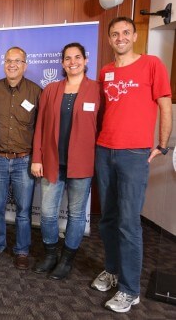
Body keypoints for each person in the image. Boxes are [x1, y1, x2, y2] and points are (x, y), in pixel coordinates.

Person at [91, 17, 172, 313]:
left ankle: (129, 289)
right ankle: (112, 270)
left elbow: (165, 103)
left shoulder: (152, 64)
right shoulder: (106, 71)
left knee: (128, 223)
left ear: (134, 36)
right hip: (105, 150)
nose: (120, 37)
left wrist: (161, 144)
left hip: (134, 155)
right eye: (115, 34)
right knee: (108, 219)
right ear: (110, 40)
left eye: (126, 32)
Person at [31, 42, 100, 280]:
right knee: (48, 214)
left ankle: (67, 259)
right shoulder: (51, 89)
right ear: (62, 63)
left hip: (82, 164)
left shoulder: (96, 90)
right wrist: (37, 158)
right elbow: (40, 126)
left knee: (77, 215)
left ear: (85, 60)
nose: (73, 62)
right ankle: (51, 254)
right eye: (68, 58)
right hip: (52, 162)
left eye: (77, 57)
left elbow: (101, 128)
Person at [0, 47, 41, 270]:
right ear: (3, 63)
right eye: (8, 60)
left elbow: (41, 128)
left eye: (17, 61)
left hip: (24, 161)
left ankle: (22, 250)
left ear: (25, 65)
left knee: (23, 211)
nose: (12, 64)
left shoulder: (36, 92)